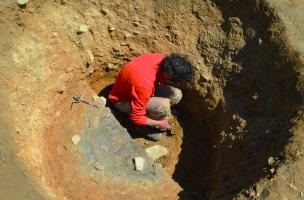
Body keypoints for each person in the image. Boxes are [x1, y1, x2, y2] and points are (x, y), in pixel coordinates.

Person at [108, 53, 195, 140]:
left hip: (140, 90)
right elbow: (136, 117)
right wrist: (159, 123)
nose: (176, 84)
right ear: (168, 76)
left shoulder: (162, 60)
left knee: (177, 94)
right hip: (122, 101)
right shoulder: (144, 85)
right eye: (176, 82)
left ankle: (157, 112)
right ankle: (143, 127)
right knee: (163, 105)